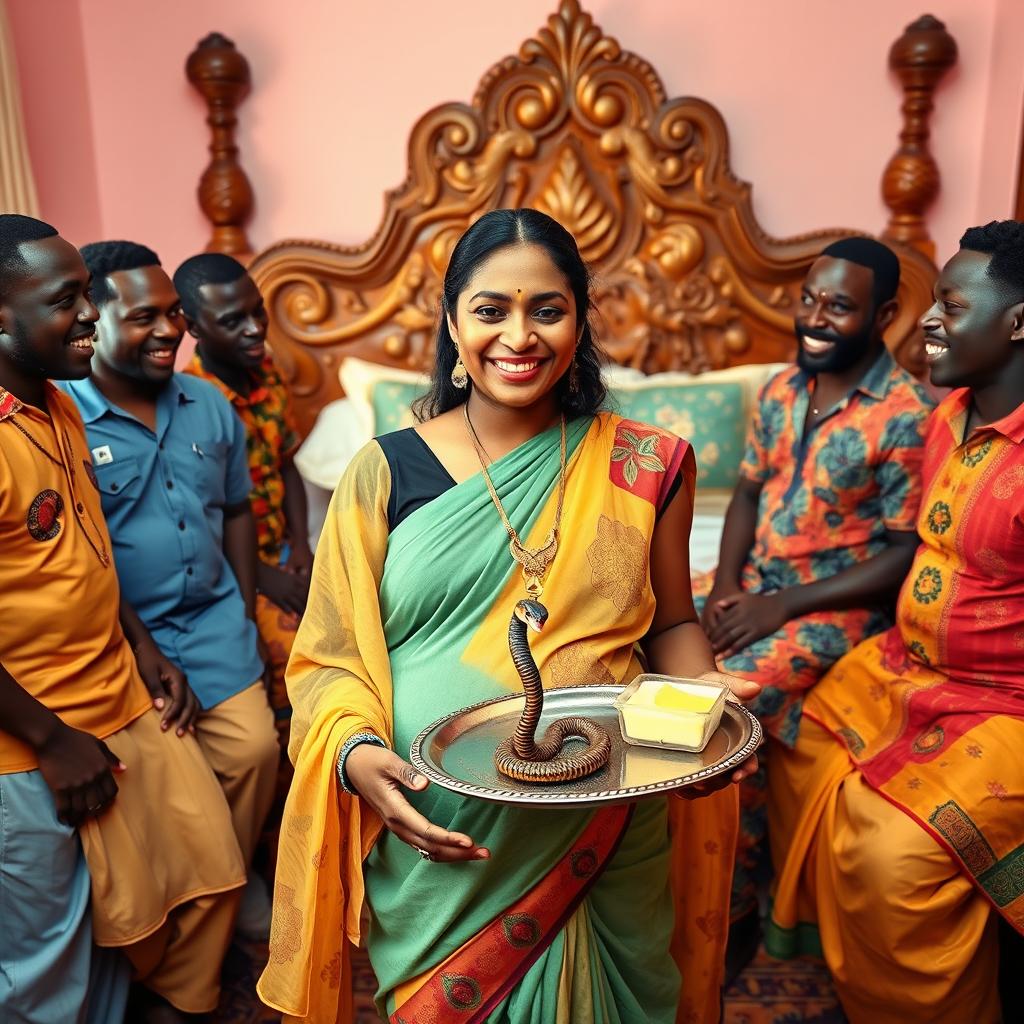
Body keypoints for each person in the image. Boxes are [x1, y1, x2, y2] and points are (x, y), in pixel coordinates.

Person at [258, 209, 760, 1024]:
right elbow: (332, 657)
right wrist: (352, 755)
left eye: (548, 310)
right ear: (453, 323)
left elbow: (671, 623)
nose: (519, 337)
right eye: (491, 311)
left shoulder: (644, 463)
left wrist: (707, 701)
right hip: (438, 846)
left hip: (601, 828)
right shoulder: (383, 471)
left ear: (580, 319)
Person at [766, 220, 1024, 1022]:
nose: (931, 322)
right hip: (909, 670)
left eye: (952, 304)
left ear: (1017, 324)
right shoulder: (948, 417)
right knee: (798, 733)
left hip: (1003, 698)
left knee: (889, 851)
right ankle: (843, 972)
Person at [0, 213, 244, 1023]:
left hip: (118, 691)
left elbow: (88, 548)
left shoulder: (59, 409)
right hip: (28, 736)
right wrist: (50, 739)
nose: (90, 316)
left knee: (210, 866)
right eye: (65, 299)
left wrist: (145, 650)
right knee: (50, 962)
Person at [694, 237, 934, 963]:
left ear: (885, 313)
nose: (815, 318)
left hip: (838, 606)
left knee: (729, 699)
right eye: (809, 299)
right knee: (647, 633)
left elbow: (903, 555)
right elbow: (743, 494)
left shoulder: (907, 413)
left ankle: (733, 911)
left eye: (839, 305)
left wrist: (781, 606)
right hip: (757, 579)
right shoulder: (779, 390)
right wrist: (728, 586)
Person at [62, 240, 279, 941]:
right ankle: (190, 943)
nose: (169, 331)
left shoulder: (209, 406)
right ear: (94, 317)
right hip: (126, 640)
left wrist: (242, 610)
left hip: (213, 620)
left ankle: (235, 876)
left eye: (174, 315)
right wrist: (141, 648)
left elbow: (240, 509)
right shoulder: (62, 416)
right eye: (145, 316)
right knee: (174, 794)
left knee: (255, 753)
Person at [175, 252, 311, 758]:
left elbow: (288, 464)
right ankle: (282, 796)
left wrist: (301, 545)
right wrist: (265, 575)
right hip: (231, 564)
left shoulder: (267, 372)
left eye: (258, 311)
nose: (255, 329)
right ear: (192, 326)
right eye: (233, 321)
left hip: (281, 549)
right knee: (288, 651)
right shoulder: (191, 402)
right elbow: (200, 515)